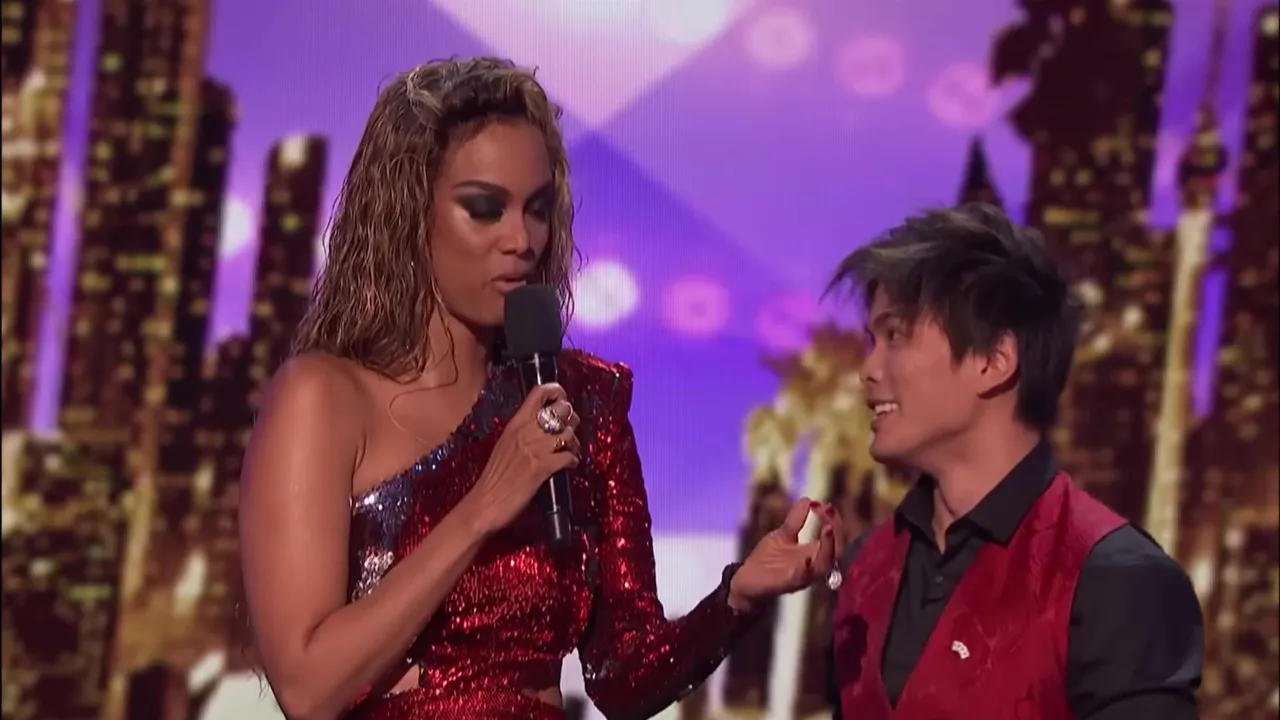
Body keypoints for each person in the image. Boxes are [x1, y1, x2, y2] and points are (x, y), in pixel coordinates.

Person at [236, 57, 847, 720]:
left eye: (537, 209)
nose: (521, 239)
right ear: (408, 212)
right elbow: (308, 688)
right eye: (484, 209)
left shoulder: (579, 401)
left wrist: (737, 599)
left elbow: (625, 678)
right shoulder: (323, 398)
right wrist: (482, 506)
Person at [823, 204, 1204, 720]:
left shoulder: (1119, 582)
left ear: (994, 360)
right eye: (872, 341)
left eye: (894, 336)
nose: (868, 369)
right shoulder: (863, 565)